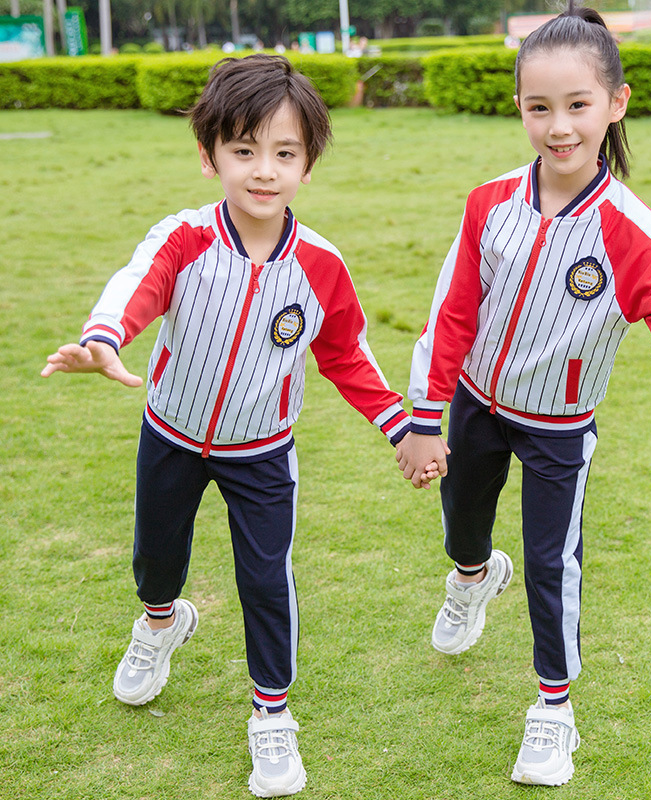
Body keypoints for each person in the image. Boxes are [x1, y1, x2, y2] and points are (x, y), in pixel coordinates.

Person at [395, 3, 651, 787]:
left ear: (615, 103)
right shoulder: (488, 204)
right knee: (463, 526)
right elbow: (451, 315)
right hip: (474, 404)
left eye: (577, 105)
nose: (558, 127)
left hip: (560, 429)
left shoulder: (630, 230)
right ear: (521, 108)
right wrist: (426, 421)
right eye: (539, 108)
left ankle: (553, 712)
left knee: (551, 564)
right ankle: (469, 578)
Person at [41, 54, 413, 798]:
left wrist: (402, 428)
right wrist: (105, 338)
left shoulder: (320, 265)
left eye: (284, 153)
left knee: (266, 581)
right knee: (156, 559)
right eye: (243, 151)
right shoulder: (184, 238)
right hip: (171, 435)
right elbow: (136, 285)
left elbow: (346, 354)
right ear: (209, 156)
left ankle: (271, 717)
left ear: (308, 164)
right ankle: (159, 624)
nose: (263, 171)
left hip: (263, 452)